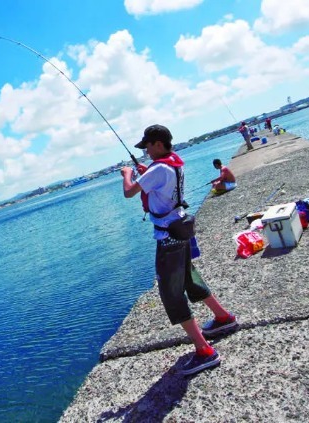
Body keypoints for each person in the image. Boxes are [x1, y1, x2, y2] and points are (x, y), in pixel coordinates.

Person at [120, 124, 238, 376]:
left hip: (168, 239)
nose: (146, 152)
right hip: (181, 231)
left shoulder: (158, 167)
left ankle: (204, 351)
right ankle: (223, 317)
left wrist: (127, 174)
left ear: (159, 144)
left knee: (171, 294)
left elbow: (130, 192)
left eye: (148, 147)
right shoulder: (174, 163)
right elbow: (162, 185)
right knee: (189, 278)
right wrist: (144, 173)